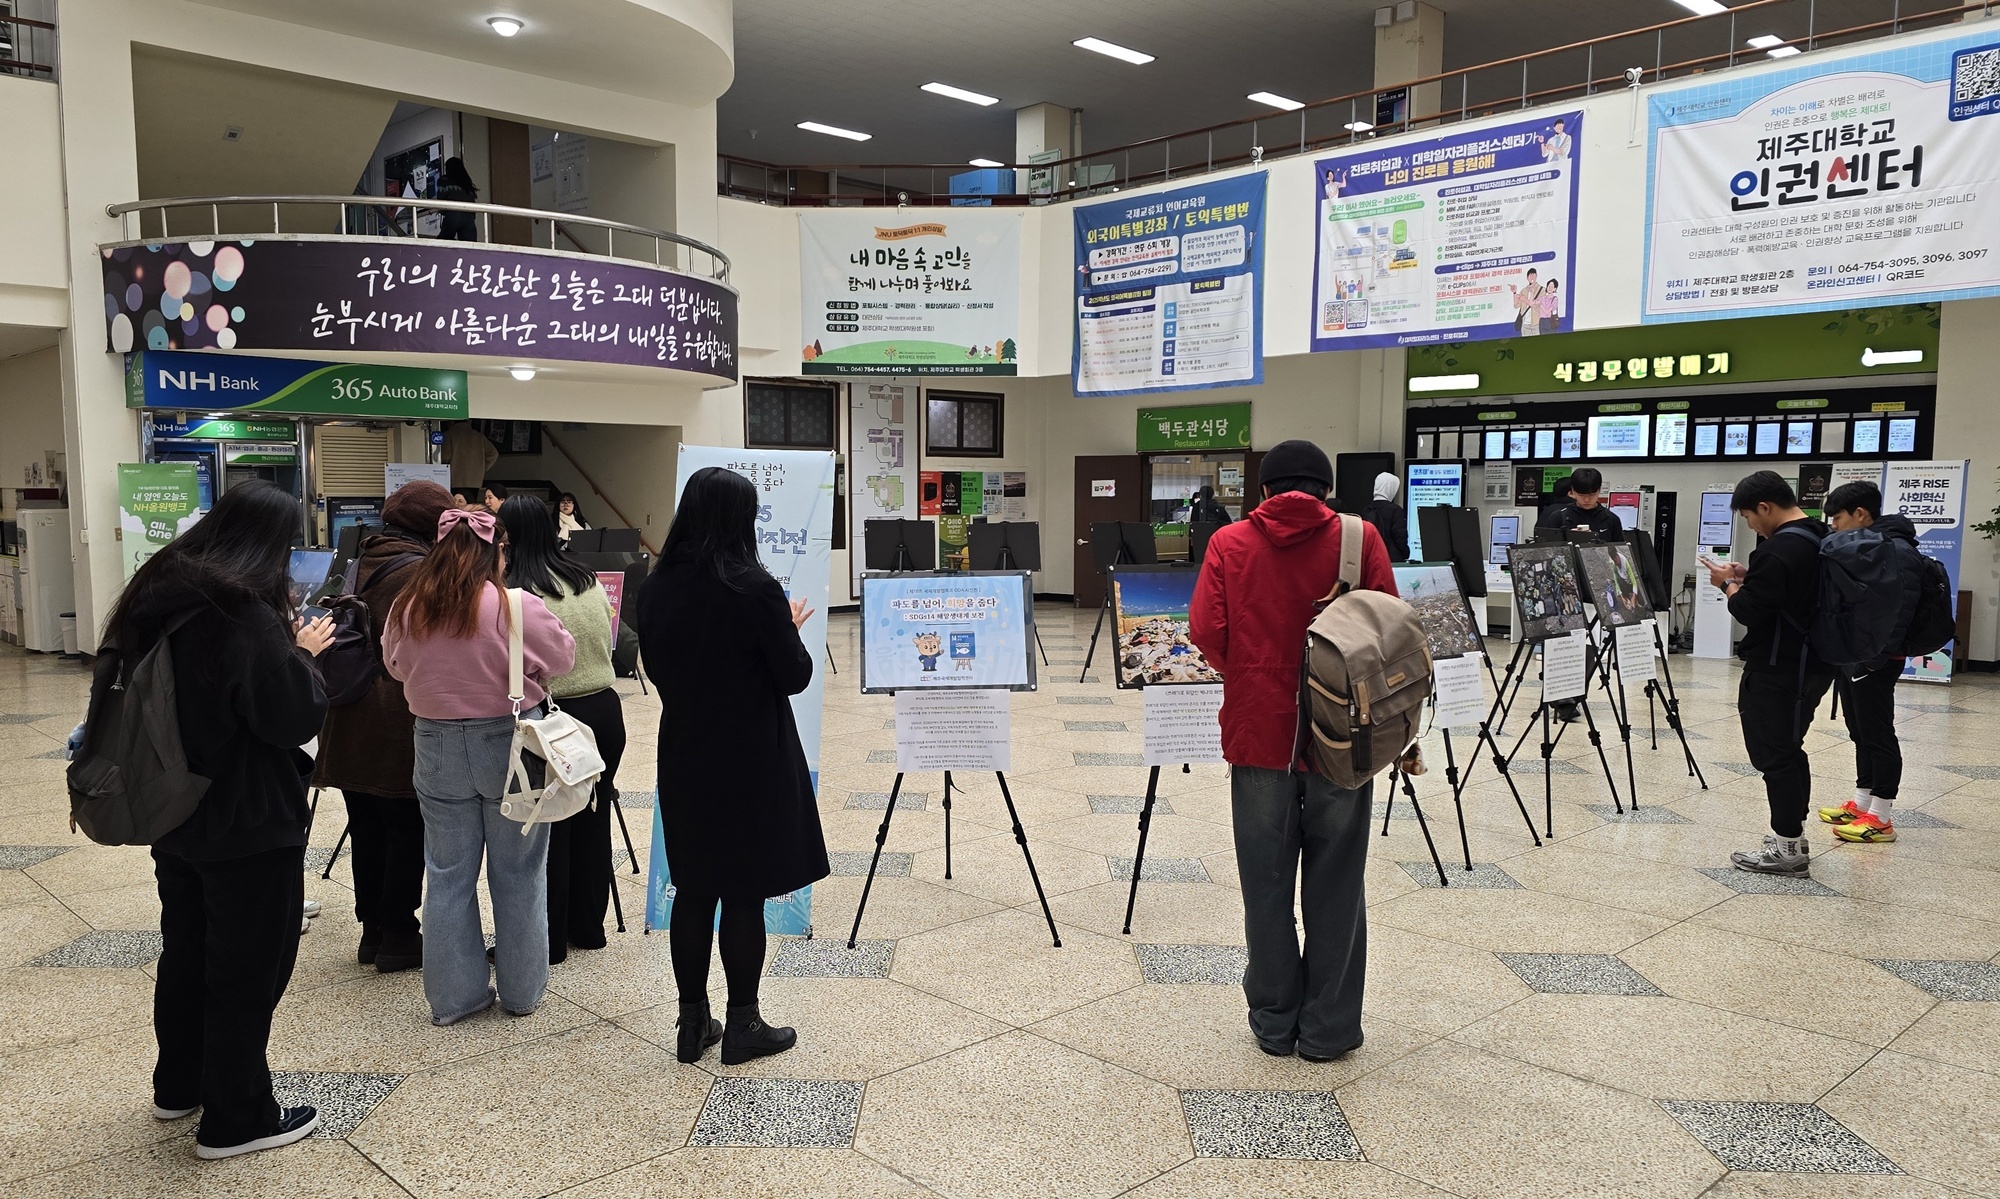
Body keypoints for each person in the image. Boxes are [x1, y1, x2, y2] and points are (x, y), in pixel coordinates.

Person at [99, 482, 333, 1158]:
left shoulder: (154, 598)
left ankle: (181, 1083)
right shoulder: (242, 615)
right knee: (248, 966)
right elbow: (288, 715)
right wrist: (306, 656)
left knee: (190, 949)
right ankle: (237, 1117)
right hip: (248, 818)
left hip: (173, 807)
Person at [1189, 440, 1398, 1062]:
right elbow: (1390, 634)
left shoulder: (1230, 544)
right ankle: (1329, 1028)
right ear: (1327, 489)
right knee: (1337, 883)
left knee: (1266, 881)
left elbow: (1205, 630)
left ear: (1263, 492)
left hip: (1260, 738)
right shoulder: (1362, 540)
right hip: (1345, 737)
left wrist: (1254, 678)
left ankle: (1275, 1021)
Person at [637, 466, 829, 1067]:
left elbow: (661, 667)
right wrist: (791, 631)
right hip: (751, 755)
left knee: (692, 888)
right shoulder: (754, 587)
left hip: (686, 749)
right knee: (743, 892)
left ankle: (691, 1022)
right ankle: (745, 1023)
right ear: (741, 521)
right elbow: (793, 675)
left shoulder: (656, 586)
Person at [384, 508, 575, 1025]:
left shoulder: (409, 605)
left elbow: (394, 665)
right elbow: (562, 659)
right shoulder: (516, 606)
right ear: (496, 552)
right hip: (511, 741)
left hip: (435, 744)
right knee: (519, 872)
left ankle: (454, 998)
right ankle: (520, 992)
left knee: (446, 875)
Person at [313, 480, 454, 973]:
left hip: (348, 713)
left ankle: (372, 930)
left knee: (367, 825)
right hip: (396, 719)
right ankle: (398, 932)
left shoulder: (357, 561)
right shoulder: (420, 572)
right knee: (406, 826)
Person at [497, 495, 625, 960]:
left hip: (551, 719)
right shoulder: (584, 575)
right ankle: (589, 927)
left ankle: (547, 941)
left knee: (546, 830)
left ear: (506, 536)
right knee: (593, 817)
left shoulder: (514, 591)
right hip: (605, 712)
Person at [1706, 470, 1832, 877]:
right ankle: (1789, 836)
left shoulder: (1778, 550)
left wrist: (1727, 586)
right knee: (1788, 749)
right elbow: (1785, 596)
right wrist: (1747, 580)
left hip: (1780, 668)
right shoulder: (1817, 534)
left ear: (1765, 507)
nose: (1750, 524)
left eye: (1748, 516)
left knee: (1774, 754)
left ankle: (1788, 850)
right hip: (1813, 663)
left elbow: (1748, 611)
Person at [1816, 481, 1912, 844]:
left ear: (1860, 514)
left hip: (1877, 658)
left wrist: (1873, 658)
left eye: (1838, 518)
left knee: (1878, 732)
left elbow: (1897, 612)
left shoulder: (1894, 550)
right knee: (1860, 730)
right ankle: (1862, 802)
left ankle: (1882, 816)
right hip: (1857, 655)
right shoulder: (1868, 547)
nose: (1834, 526)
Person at [1536, 466, 1624, 541]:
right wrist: (1570, 538)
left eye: (1592, 494)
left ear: (1599, 490)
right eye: (1581, 495)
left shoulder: (1611, 519)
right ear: (1573, 491)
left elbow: (1619, 555)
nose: (1586, 500)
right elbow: (1548, 552)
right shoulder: (1559, 517)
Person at [441, 422, 498, 497]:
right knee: (471, 504)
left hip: (454, 479)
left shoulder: (448, 435)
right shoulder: (479, 436)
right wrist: (482, 468)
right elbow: (493, 454)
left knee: (456, 504)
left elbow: (445, 456)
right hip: (474, 480)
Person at [1361, 471, 1409, 561]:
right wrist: (1405, 553)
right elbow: (1400, 537)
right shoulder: (1395, 510)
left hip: (1372, 558)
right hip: (1392, 559)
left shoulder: (1366, 509)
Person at [436, 157, 479, 242]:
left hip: (453, 213)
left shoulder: (444, 180)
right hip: (469, 216)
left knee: (443, 242)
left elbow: (441, 199)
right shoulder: (466, 182)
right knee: (469, 247)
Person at [1511, 268, 1546, 335]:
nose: (1532, 277)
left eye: (1533, 275)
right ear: (1527, 278)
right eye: (1530, 275)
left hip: (1536, 323)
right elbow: (1516, 305)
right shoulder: (1524, 291)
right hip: (1525, 324)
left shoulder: (1542, 290)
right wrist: (1514, 292)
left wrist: (1524, 299)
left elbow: (1535, 304)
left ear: (1536, 276)